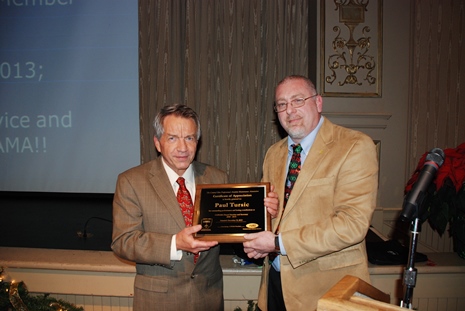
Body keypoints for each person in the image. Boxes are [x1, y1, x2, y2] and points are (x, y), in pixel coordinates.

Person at [112, 103, 278, 310]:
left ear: (197, 142)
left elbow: (233, 234)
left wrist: (264, 216)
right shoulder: (132, 181)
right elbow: (123, 241)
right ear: (157, 143)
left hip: (207, 299)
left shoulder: (216, 178)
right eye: (172, 138)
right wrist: (175, 243)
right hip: (158, 302)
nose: (183, 148)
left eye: (189, 138)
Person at [243, 75, 379, 311]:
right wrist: (265, 226)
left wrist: (277, 243)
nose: (290, 111)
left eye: (298, 100)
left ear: (318, 103)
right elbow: (277, 214)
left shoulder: (354, 146)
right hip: (276, 287)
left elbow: (353, 225)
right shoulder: (273, 153)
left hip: (326, 290)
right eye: (282, 104)